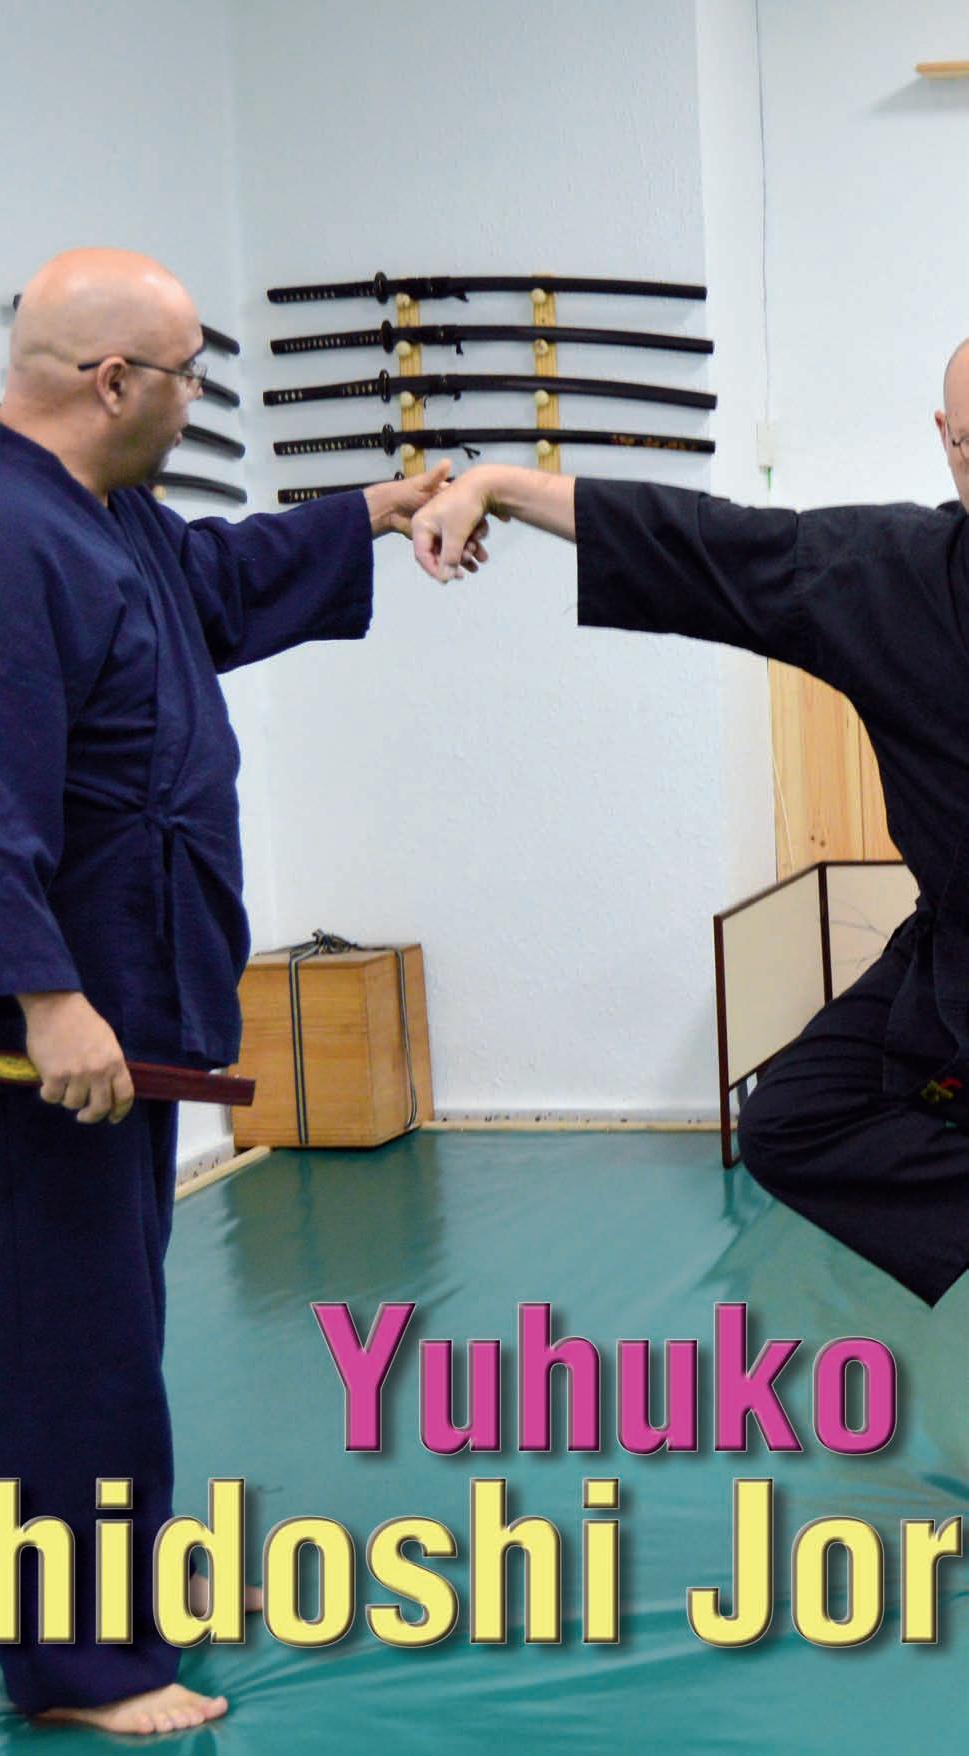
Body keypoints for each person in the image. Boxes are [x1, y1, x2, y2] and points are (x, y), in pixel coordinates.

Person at [0, 247, 484, 1737]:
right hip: (43, 1036)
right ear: (112, 382)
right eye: (189, 376)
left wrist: (371, 508)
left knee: (107, 1322)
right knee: (52, 1344)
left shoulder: (99, 516)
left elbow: (210, 583)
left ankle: (124, 1588)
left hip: (127, 1004)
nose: (196, 399)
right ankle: (78, 1668)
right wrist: (42, 998)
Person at [410, 340, 969, 1311]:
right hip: (955, 959)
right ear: (944, 438)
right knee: (796, 1118)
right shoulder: (892, 576)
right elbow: (705, 542)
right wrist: (499, 485)